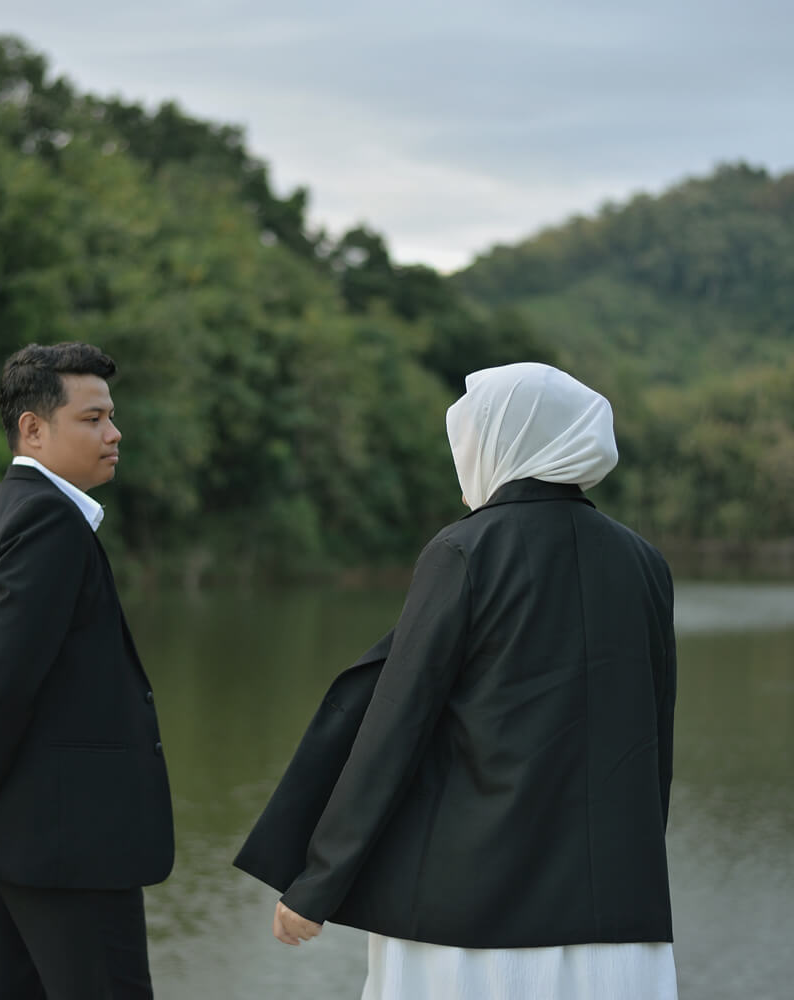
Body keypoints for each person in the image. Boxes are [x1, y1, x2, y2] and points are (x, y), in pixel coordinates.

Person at [239, 362, 678, 999]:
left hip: (470, 922)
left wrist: (318, 883)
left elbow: (395, 727)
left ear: (506, 441)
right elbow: (653, 746)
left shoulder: (466, 550)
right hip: (618, 918)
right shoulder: (645, 563)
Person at [0, 342, 173, 1000]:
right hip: (66, 846)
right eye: (92, 419)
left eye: (111, 416)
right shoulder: (50, 520)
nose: (114, 433)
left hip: (8, 842)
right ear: (33, 428)